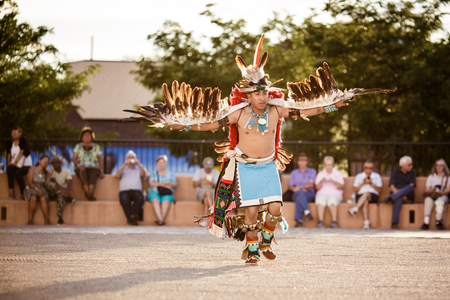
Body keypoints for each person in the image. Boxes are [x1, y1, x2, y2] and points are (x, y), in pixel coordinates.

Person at [126, 35, 389, 264]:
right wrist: (183, 126)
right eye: (256, 94)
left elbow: (311, 109)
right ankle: (252, 249)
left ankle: (265, 241)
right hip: (245, 167)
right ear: (248, 95)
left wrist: (335, 105)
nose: (262, 97)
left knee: (275, 208)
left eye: (265, 93)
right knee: (250, 211)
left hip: (267, 166)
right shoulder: (236, 114)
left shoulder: (278, 110)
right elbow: (208, 125)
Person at [382, 156, 416, 229]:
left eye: (411, 164)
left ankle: (391, 198)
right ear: (402, 165)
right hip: (397, 195)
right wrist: (399, 194)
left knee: (410, 187)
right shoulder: (395, 173)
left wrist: (399, 194)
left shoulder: (412, 173)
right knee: (398, 199)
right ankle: (394, 223)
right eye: (409, 165)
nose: (411, 166)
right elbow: (392, 187)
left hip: (408, 195)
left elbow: (411, 186)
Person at [116, 150, 148, 226]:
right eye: (129, 157)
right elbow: (117, 176)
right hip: (124, 191)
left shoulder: (138, 169)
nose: (130, 159)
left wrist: (139, 164)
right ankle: (132, 218)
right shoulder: (123, 168)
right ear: (125, 159)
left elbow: (144, 175)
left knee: (140, 199)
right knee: (124, 199)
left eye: (132, 157)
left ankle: (131, 217)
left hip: (136, 191)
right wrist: (124, 164)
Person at [347, 160, 382, 229]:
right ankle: (366, 223)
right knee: (365, 201)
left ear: (373, 168)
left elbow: (380, 190)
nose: (368, 169)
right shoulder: (359, 176)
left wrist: (371, 183)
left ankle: (355, 208)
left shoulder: (377, 176)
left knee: (366, 194)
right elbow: (355, 190)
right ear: (364, 167)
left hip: (373, 196)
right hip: (360, 196)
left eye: (370, 168)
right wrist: (363, 183)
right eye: (366, 167)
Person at [72, 127, 104, 201]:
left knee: (94, 174)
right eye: (85, 135)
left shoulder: (96, 147)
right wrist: (79, 166)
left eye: (89, 135)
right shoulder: (78, 146)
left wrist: (101, 170)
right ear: (82, 137)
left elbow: (100, 159)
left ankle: (89, 193)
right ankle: (89, 193)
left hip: (93, 167)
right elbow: (74, 158)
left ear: (92, 137)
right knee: (82, 174)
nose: (87, 136)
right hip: (81, 167)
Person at [315, 156, 344, 228]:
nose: (328, 167)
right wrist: (321, 181)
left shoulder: (337, 173)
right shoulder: (321, 174)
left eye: (330, 165)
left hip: (335, 194)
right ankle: (321, 222)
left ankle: (335, 221)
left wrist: (333, 181)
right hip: (322, 193)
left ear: (333, 164)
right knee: (320, 200)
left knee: (332, 200)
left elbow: (342, 186)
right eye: (327, 165)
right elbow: (317, 188)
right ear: (324, 165)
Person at [288, 153, 316, 227]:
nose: (302, 162)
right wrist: (295, 189)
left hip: (309, 193)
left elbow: (311, 185)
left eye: (304, 161)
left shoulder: (312, 171)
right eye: (300, 161)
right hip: (296, 193)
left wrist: (300, 187)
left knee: (299, 196)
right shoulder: (294, 173)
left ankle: (299, 221)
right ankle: (306, 212)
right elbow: (290, 186)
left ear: (307, 162)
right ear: (298, 162)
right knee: (300, 193)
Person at [420, 159, 449, 230]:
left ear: (444, 167)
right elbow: (426, 189)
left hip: (443, 196)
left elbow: (448, 191)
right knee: (427, 200)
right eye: (437, 165)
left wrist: (440, 192)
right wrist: (431, 190)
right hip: (432, 195)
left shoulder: (447, 177)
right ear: (435, 166)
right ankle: (426, 222)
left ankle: (438, 221)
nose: (439, 167)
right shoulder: (431, 176)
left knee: (440, 201)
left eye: (441, 165)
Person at [148, 155, 177, 226]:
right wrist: (161, 184)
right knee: (155, 200)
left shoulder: (170, 174)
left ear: (165, 163)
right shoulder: (154, 173)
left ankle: (160, 220)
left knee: (166, 201)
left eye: (163, 162)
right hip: (154, 192)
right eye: (159, 163)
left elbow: (174, 184)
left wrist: (166, 183)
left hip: (167, 193)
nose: (161, 164)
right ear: (157, 164)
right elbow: (151, 184)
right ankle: (161, 220)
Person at [6, 126, 32, 200]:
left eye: (16, 132)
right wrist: (9, 163)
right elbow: (8, 154)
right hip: (15, 164)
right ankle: (11, 191)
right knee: (9, 168)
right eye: (12, 132)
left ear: (20, 133)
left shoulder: (22, 140)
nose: (13, 133)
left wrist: (15, 162)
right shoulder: (9, 142)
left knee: (18, 172)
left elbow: (22, 151)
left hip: (25, 165)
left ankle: (22, 193)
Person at [192, 157, 220, 227]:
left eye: (209, 167)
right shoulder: (199, 172)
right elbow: (194, 185)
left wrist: (211, 184)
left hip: (212, 193)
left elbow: (218, 186)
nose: (208, 169)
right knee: (207, 192)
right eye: (207, 167)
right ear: (203, 165)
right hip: (201, 192)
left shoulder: (216, 172)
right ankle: (213, 213)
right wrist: (201, 180)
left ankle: (205, 220)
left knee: (206, 200)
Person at [47, 155, 74, 226]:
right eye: (53, 163)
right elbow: (54, 183)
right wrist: (63, 191)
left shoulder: (66, 171)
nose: (54, 165)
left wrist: (67, 192)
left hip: (62, 192)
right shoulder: (51, 172)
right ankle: (69, 199)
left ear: (60, 163)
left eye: (56, 163)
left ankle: (60, 220)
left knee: (61, 199)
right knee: (51, 184)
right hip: (53, 192)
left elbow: (69, 182)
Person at [25, 155, 50, 225]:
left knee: (43, 199)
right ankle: (30, 220)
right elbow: (29, 182)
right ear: (39, 160)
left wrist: (49, 177)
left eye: (47, 161)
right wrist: (37, 189)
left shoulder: (46, 172)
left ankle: (46, 220)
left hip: (42, 188)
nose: (45, 162)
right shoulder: (32, 169)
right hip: (32, 187)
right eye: (44, 160)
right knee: (33, 198)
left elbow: (45, 185)